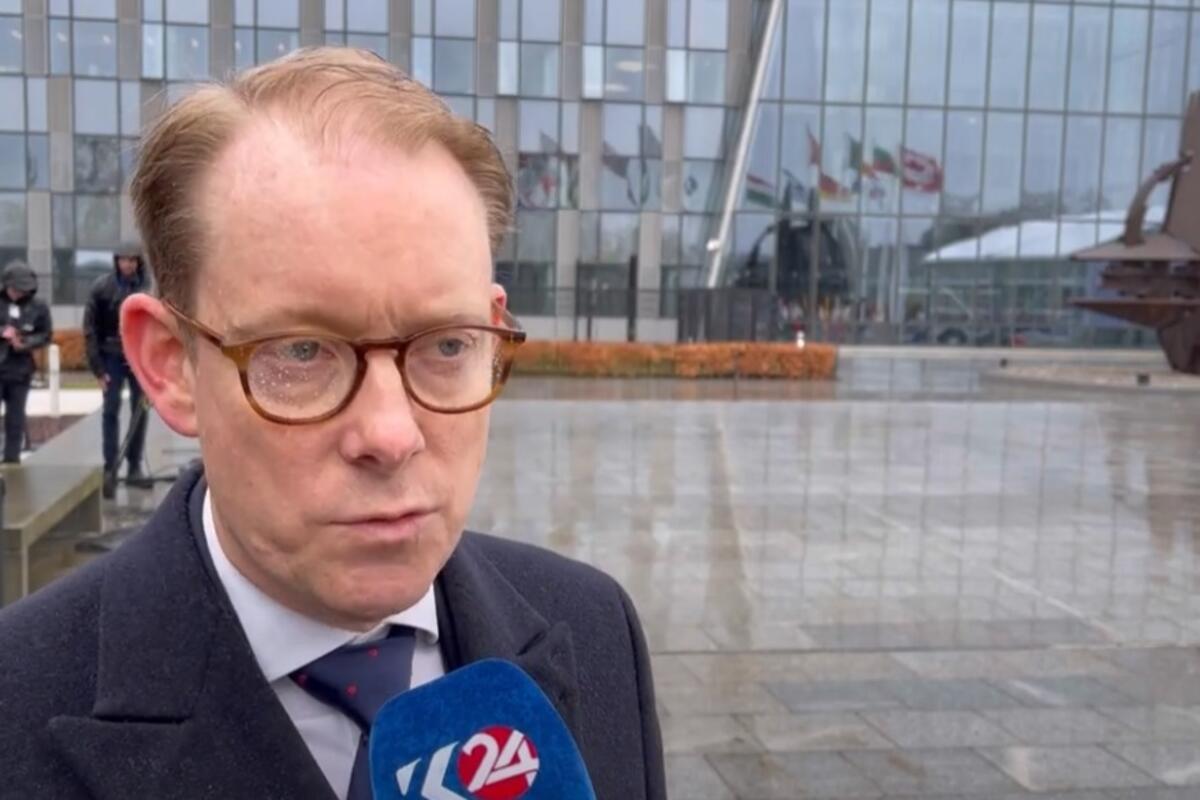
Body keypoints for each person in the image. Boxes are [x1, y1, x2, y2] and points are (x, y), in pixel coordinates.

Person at [0, 48, 665, 800]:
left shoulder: (596, 626)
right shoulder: (16, 704)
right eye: (301, 351)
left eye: (448, 345)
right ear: (171, 364)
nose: (391, 435)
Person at [83, 241, 152, 498]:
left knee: (140, 411)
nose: (128, 264)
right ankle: (110, 468)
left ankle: (134, 466)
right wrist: (98, 368)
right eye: (123, 260)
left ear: (138, 262)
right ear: (116, 261)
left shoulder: (148, 289)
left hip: (139, 357)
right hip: (111, 355)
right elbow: (90, 330)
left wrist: (151, 367)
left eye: (132, 260)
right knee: (110, 411)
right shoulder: (102, 288)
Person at [0, 260, 52, 464]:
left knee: (16, 418)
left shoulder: (38, 306)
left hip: (20, 370)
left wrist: (24, 342)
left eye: (22, 290)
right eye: (15, 290)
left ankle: (11, 460)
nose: (19, 294)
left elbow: (45, 335)